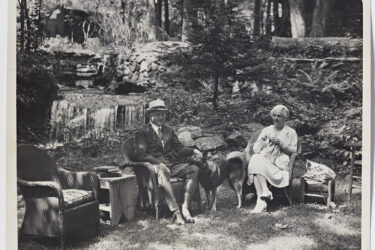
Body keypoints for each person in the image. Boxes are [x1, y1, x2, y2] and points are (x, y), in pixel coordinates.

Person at [134, 99, 203, 225]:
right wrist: (158, 163)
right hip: (154, 166)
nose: (161, 117)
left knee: (194, 169)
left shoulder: (169, 130)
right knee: (163, 170)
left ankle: (185, 207)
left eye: (163, 114)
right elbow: (141, 154)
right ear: (150, 115)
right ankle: (176, 213)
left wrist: (193, 151)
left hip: (172, 164)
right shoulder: (142, 132)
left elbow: (179, 148)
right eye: (158, 114)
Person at [247, 105, 298, 213]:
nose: (276, 118)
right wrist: (262, 141)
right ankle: (265, 192)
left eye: (279, 116)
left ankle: (260, 201)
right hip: (266, 161)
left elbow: (294, 151)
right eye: (274, 115)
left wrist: (281, 143)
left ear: (285, 118)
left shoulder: (291, 132)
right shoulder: (266, 130)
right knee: (256, 158)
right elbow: (256, 150)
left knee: (256, 168)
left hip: (279, 164)